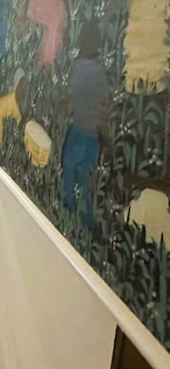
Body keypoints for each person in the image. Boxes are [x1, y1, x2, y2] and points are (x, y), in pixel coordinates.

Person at [62, 19, 110, 226]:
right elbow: (104, 107)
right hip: (92, 135)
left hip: (78, 131)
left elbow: (70, 99)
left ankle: (69, 210)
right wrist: (107, 137)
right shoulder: (99, 72)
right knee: (85, 179)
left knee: (69, 171)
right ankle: (87, 221)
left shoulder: (78, 68)